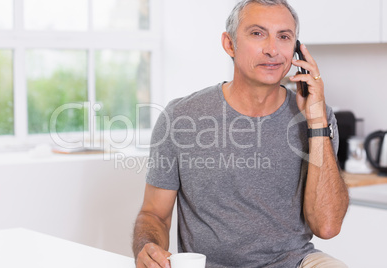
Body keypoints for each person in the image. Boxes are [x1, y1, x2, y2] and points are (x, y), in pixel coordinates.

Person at [132, 0, 350, 267]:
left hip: (295, 262)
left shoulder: (318, 116)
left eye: (284, 37)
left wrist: (316, 121)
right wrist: (148, 248)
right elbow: (154, 213)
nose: (272, 50)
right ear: (229, 44)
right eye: (258, 33)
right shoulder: (180, 117)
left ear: (296, 50)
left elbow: (327, 227)